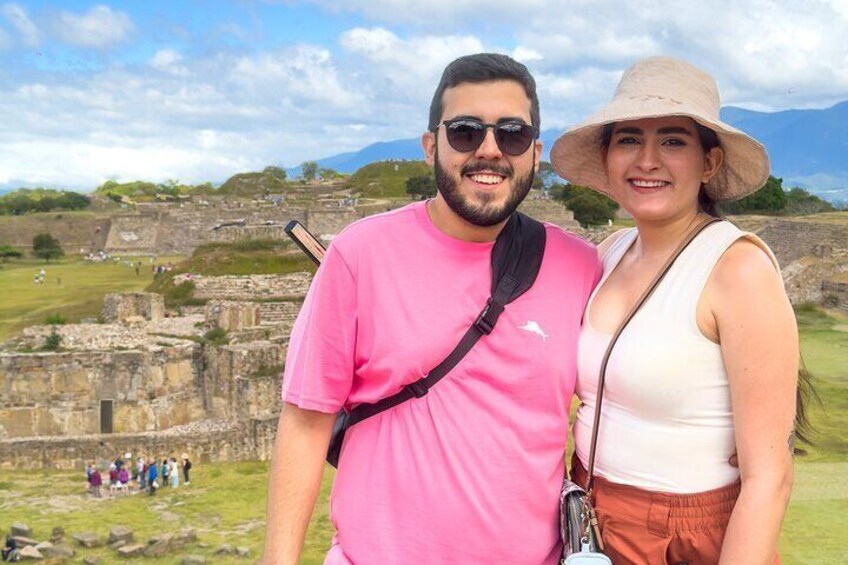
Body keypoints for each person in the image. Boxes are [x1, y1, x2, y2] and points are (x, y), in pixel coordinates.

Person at [263, 53, 600, 565]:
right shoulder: (360, 255)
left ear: (534, 152)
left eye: (510, 134)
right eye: (465, 131)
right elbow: (308, 418)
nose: (490, 151)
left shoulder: (578, 265)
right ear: (430, 146)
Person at [550, 56, 804, 564]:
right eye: (628, 140)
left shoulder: (736, 270)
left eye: (672, 141)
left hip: (685, 537)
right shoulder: (610, 251)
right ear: (606, 157)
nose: (647, 160)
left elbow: (768, 477)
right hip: (591, 520)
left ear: (708, 162)